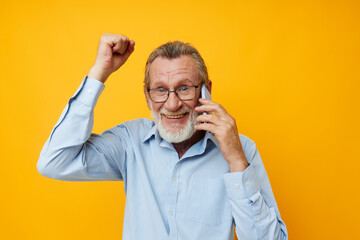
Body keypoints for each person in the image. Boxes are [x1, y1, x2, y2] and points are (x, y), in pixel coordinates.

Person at [37, 33, 288, 240]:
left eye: (183, 88)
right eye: (160, 90)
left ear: (206, 90)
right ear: (147, 97)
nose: (172, 103)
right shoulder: (129, 142)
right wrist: (99, 73)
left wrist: (235, 162)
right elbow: (54, 162)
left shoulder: (241, 149)